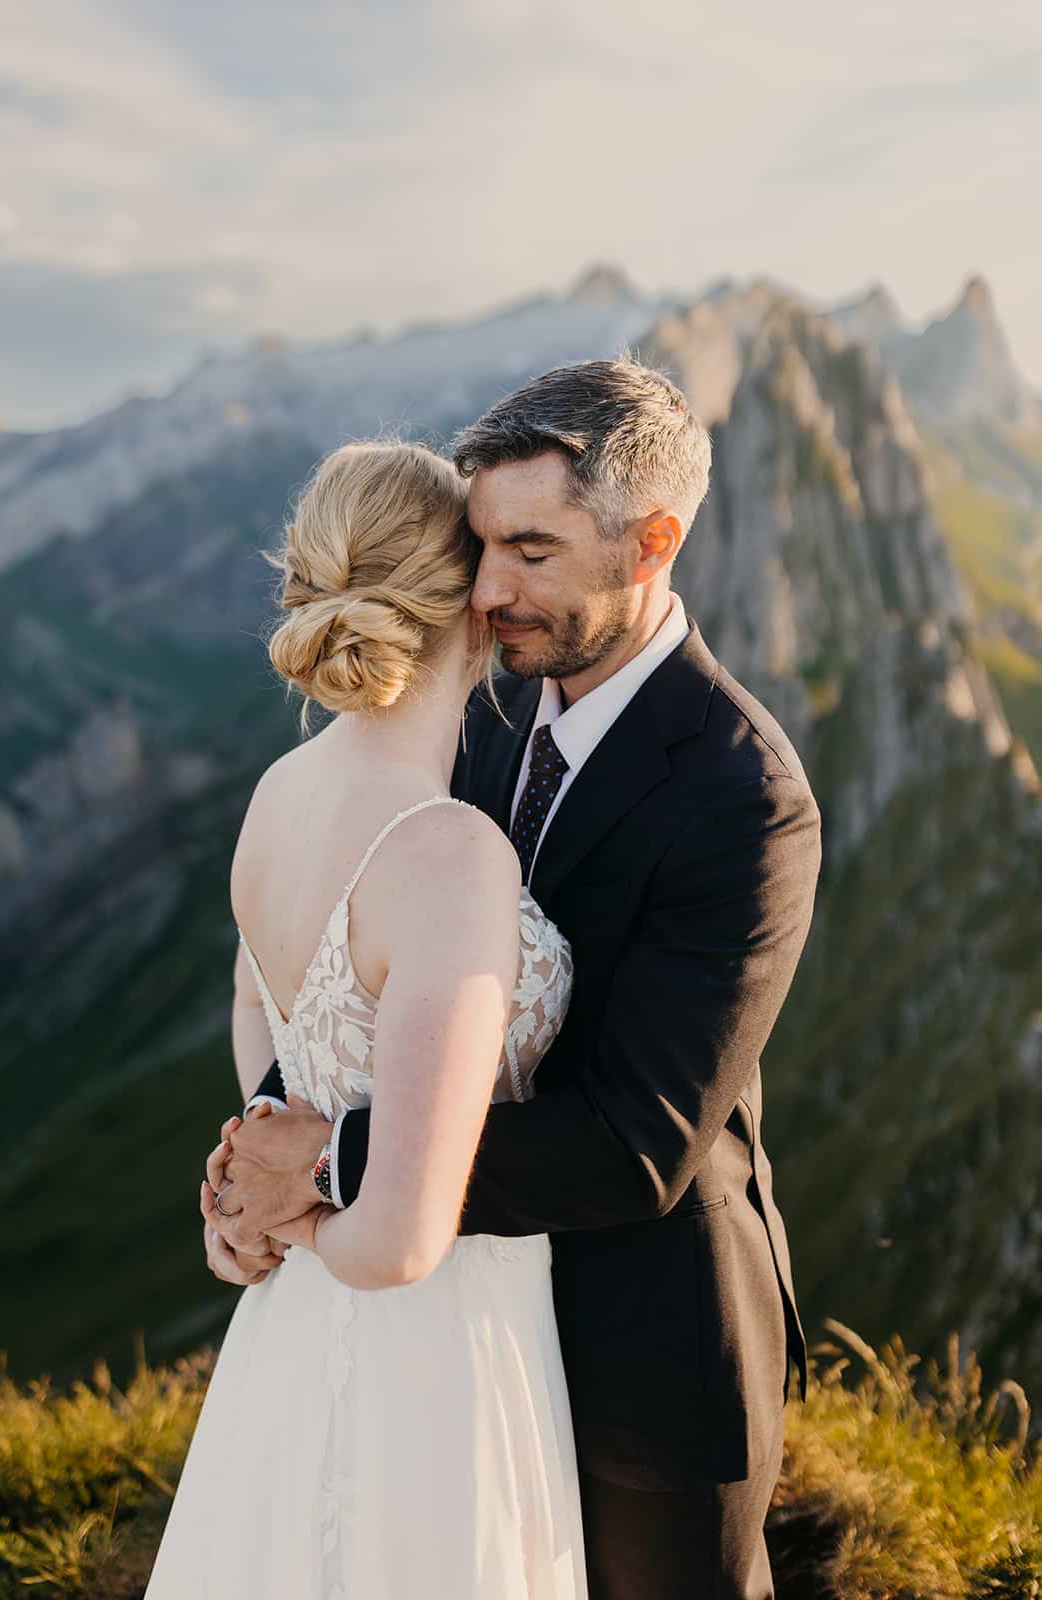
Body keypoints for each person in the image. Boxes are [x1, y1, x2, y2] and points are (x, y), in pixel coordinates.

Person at [209, 358, 823, 1599]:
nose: (486, 592)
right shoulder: (475, 708)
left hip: (648, 1354)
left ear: (650, 542)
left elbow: (641, 1140)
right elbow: (361, 964)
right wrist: (262, 1147)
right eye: (480, 544)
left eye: (531, 550)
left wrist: (328, 1162)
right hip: (457, 1334)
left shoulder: (741, 795)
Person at [145, 439, 587, 1598]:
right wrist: (292, 1212)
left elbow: (260, 1002)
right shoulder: (446, 851)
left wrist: (265, 1154)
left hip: (286, 1346)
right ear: (474, 607)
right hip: (436, 1362)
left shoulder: (278, 796)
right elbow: (397, 1244)